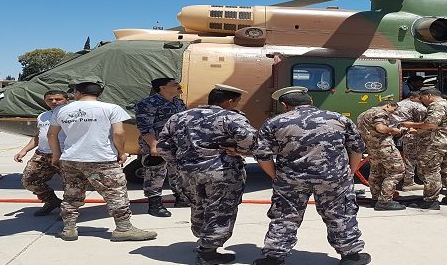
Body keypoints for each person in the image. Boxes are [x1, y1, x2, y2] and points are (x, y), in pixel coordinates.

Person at [253, 86, 371, 265]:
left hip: (291, 179)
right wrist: (351, 171)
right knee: (340, 214)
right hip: (334, 178)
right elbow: (357, 148)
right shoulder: (338, 118)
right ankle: (351, 256)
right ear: (311, 102)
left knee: (285, 216)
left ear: (285, 105)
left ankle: (273, 257)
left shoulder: (274, 122)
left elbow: (262, 155)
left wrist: (275, 175)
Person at [157, 84, 257, 265]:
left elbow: (163, 146)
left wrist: (178, 164)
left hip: (187, 173)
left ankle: (202, 238)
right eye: (236, 102)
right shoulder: (231, 117)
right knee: (220, 209)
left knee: (198, 205)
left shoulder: (179, 117)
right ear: (229, 101)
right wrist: (238, 150)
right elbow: (252, 141)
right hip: (221, 173)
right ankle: (208, 251)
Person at [47, 77, 156, 242]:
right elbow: (119, 133)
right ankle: (123, 228)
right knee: (116, 193)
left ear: (78, 93)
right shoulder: (111, 108)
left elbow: (51, 134)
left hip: (71, 159)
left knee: (71, 194)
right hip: (102, 158)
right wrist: (121, 152)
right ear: (99, 93)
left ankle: (69, 228)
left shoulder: (61, 110)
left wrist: (56, 155)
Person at [400, 88, 447, 209]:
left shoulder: (436, 106)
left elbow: (431, 124)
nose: (422, 101)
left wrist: (411, 125)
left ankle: (431, 200)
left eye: (422, 98)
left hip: (434, 145)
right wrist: (419, 131)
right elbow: (442, 126)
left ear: (429, 95)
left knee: (430, 171)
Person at [134, 77, 188, 217]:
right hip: (158, 143)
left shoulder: (178, 102)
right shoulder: (147, 103)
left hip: (177, 144)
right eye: (175, 84)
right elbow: (145, 127)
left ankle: (181, 198)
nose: (179, 86)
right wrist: (153, 145)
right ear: (162, 88)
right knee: (156, 173)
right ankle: (155, 204)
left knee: (178, 172)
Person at [13, 90, 68, 216]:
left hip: (64, 155)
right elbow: (38, 136)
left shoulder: (73, 116)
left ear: (66, 100)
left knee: (71, 185)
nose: (54, 102)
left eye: (58, 99)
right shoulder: (43, 116)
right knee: (29, 180)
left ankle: (69, 211)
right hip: (42, 155)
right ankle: (52, 201)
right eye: (50, 99)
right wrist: (24, 150)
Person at [357, 101, 407, 211]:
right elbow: (380, 128)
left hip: (372, 148)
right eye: (393, 110)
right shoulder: (380, 112)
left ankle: (376, 198)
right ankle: (385, 201)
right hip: (385, 147)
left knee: (376, 173)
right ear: (388, 105)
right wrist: (393, 130)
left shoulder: (363, 115)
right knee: (397, 172)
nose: (392, 113)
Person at [390, 90, 427, 190]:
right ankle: (408, 183)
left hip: (396, 133)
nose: (421, 101)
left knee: (406, 156)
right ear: (412, 98)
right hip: (409, 133)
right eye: (419, 99)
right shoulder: (415, 104)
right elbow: (425, 113)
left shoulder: (397, 104)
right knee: (411, 158)